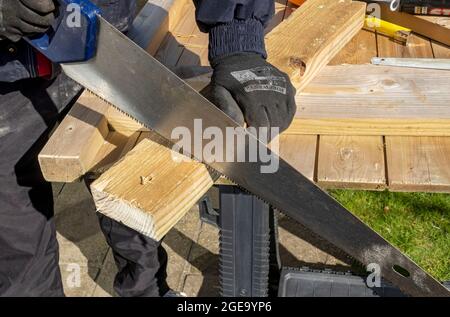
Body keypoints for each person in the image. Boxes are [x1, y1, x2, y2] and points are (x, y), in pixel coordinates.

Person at [0, 0, 296, 297]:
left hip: (103, 46)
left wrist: (238, 41)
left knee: (129, 193)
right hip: (7, 81)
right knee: (18, 247)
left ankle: (147, 292)